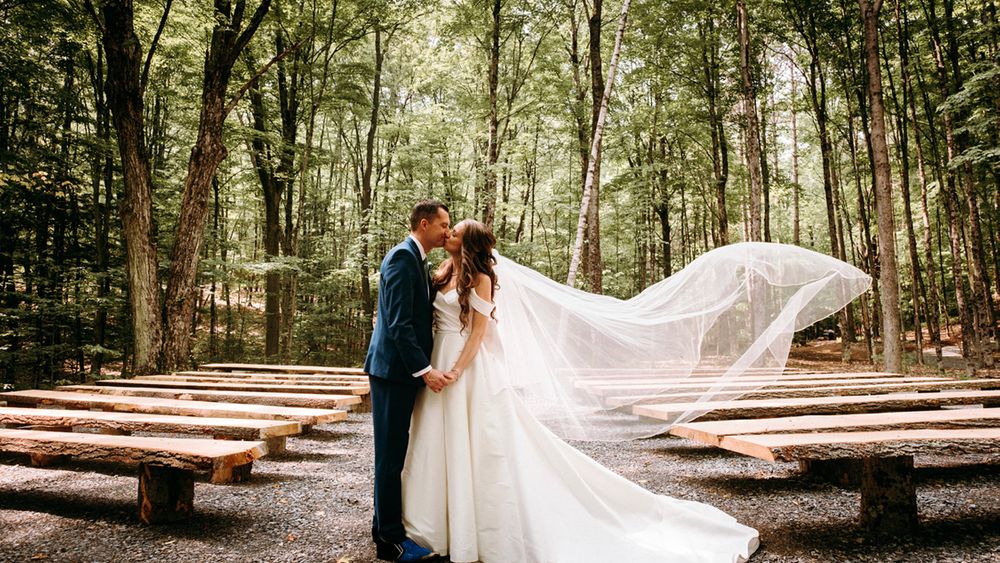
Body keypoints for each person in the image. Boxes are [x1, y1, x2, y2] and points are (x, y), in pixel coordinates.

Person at [399, 218, 872, 563]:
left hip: (468, 369)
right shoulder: (442, 272)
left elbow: (480, 332)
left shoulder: (482, 276)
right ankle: (441, 520)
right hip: (440, 364)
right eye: (446, 227)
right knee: (446, 442)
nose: (449, 232)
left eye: (455, 229)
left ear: (470, 242)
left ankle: (484, 527)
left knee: (488, 447)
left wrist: (458, 370)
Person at [364, 200, 455, 562]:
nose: (447, 231)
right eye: (443, 224)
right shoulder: (402, 258)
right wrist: (425, 370)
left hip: (400, 373)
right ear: (423, 223)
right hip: (392, 372)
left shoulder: (417, 259)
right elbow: (399, 323)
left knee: (394, 454)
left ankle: (382, 526)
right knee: (389, 457)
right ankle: (390, 541)